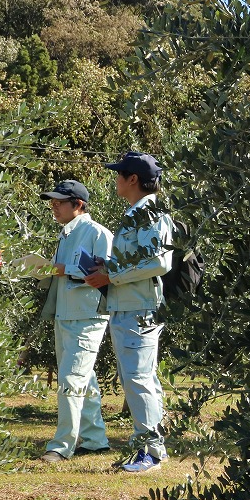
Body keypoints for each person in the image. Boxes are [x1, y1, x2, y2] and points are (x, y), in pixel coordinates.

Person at [84, 152, 174, 473]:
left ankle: (148, 452)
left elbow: (161, 262)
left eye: (119, 174)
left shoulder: (148, 213)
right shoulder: (138, 212)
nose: (116, 179)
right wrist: (107, 267)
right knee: (140, 377)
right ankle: (154, 448)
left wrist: (112, 275)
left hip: (138, 309)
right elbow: (140, 260)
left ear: (132, 179)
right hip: (130, 307)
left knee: (137, 378)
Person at [37, 180, 114, 463]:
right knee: (84, 378)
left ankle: (61, 446)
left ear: (78, 205)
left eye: (59, 202)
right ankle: (96, 441)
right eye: (52, 202)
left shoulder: (98, 232)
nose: (54, 207)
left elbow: (106, 272)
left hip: (89, 315)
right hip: (65, 314)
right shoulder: (65, 235)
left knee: (71, 379)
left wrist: (62, 269)